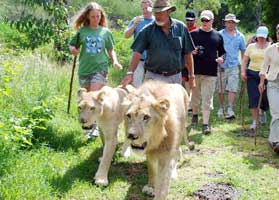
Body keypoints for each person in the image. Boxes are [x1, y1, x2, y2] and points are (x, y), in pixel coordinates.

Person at [69, 2, 122, 138]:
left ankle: (95, 128)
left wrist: (114, 61)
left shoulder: (105, 32)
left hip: (100, 68)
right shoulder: (82, 31)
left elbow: (110, 49)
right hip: (84, 69)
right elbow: (72, 45)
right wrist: (73, 50)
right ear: (87, 16)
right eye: (93, 16)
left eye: (98, 16)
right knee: (87, 100)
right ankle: (89, 122)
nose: (95, 19)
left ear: (101, 16)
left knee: (94, 99)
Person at [121, 0, 195, 87]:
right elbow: (137, 52)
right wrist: (130, 73)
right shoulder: (148, 30)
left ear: (169, 12)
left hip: (174, 78)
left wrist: (191, 76)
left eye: (160, 13)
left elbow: (188, 53)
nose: (157, 16)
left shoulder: (181, 28)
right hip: (153, 77)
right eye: (155, 13)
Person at [190, 10, 226, 134]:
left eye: (207, 20)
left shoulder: (217, 36)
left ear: (212, 21)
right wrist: (192, 52)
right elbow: (185, 50)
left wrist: (221, 58)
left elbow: (222, 52)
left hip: (210, 72)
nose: (204, 22)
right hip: (195, 72)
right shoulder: (193, 34)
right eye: (203, 20)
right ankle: (195, 114)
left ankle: (205, 124)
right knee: (195, 97)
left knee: (207, 98)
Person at [217, 13, 246, 119]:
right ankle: (221, 108)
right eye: (228, 22)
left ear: (235, 23)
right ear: (225, 23)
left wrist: (243, 66)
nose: (230, 24)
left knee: (232, 88)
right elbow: (215, 48)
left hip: (234, 65)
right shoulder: (219, 34)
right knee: (220, 88)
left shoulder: (240, 36)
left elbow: (243, 52)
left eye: (232, 22)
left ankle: (230, 108)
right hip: (222, 65)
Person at [241, 26, 270, 131]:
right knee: (253, 97)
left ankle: (262, 111)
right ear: (256, 36)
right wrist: (243, 72)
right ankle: (255, 121)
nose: (261, 39)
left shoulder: (271, 47)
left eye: (263, 37)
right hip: (252, 74)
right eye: (259, 37)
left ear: (267, 36)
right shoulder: (251, 47)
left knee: (265, 98)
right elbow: (244, 61)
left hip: (267, 74)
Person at [258, 24, 279, 154]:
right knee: (277, 112)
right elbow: (264, 67)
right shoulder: (271, 49)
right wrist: (261, 82)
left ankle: (272, 139)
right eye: (278, 32)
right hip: (273, 84)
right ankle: (276, 141)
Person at [124, 0, 154, 87]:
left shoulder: (156, 21)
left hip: (152, 60)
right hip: (138, 60)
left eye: (146, 8)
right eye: (142, 9)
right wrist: (134, 25)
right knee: (137, 86)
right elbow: (126, 35)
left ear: (151, 8)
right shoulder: (137, 20)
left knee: (150, 87)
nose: (144, 11)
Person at [182, 10, 198, 113]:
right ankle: (186, 104)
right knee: (183, 83)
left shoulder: (196, 30)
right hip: (182, 61)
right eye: (187, 20)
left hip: (193, 61)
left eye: (191, 20)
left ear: (194, 20)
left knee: (191, 84)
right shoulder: (182, 29)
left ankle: (191, 105)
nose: (189, 22)